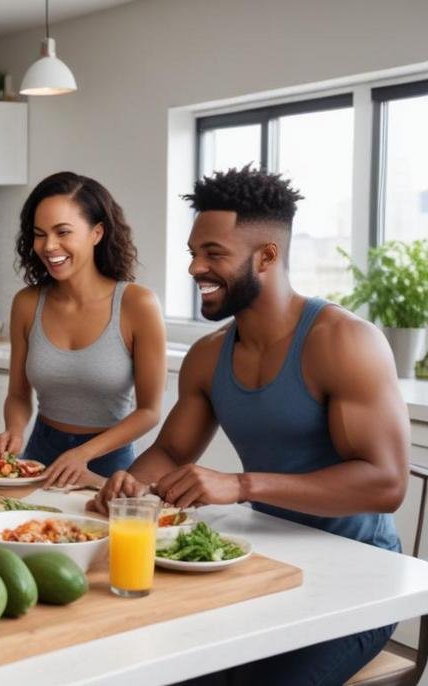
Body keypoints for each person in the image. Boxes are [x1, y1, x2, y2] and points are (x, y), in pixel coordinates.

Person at [93, 166, 408, 685]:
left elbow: (386, 484)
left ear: (267, 255)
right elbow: (171, 452)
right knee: (165, 669)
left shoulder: (344, 342)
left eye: (213, 253)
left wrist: (240, 486)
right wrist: (130, 488)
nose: (195, 267)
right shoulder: (208, 355)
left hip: (359, 584)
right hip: (266, 556)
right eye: (193, 252)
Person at [0, 172, 166, 489]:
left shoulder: (138, 304)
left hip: (108, 461)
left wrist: (83, 453)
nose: (49, 246)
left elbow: (149, 411)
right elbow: (17, 394)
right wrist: (14, 430)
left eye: (63, 232)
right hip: (40, 454)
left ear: (97, 233)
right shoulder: (27, 303)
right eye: (40, 234)